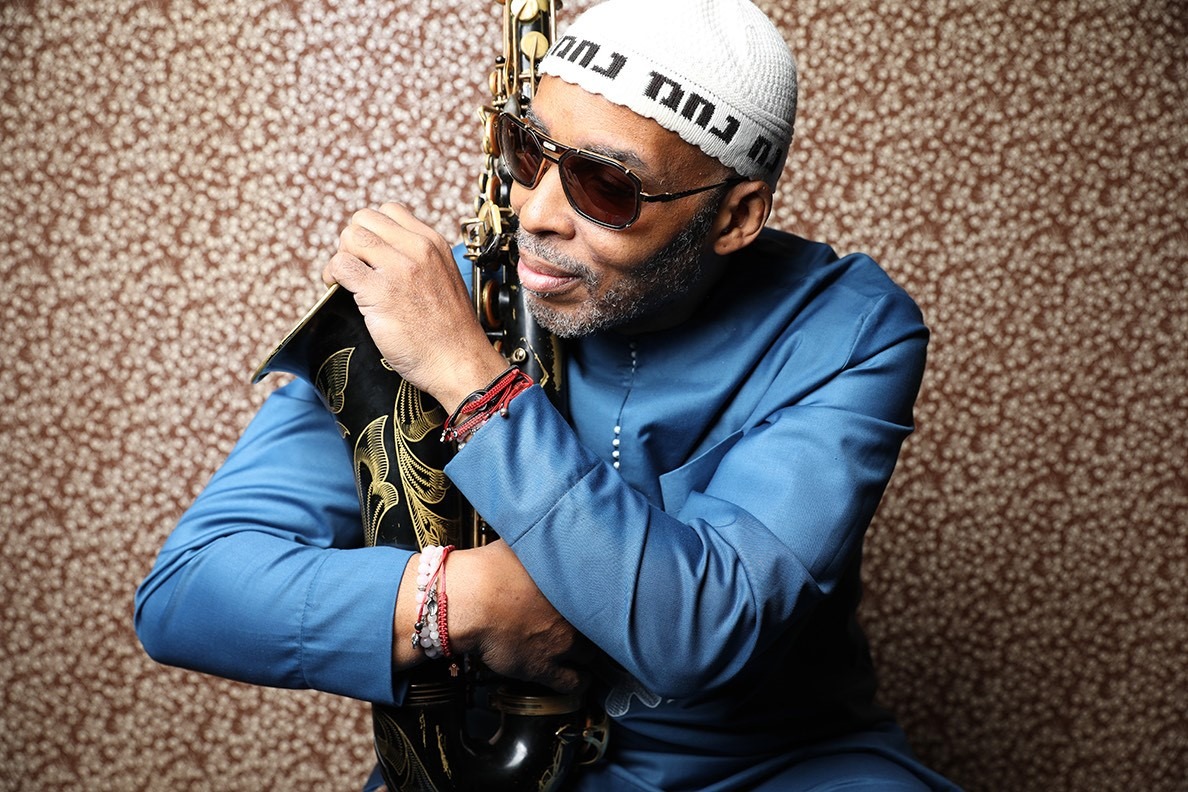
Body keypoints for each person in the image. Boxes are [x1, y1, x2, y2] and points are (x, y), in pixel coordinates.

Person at [135, 0, 961, 789]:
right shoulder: (440, 303)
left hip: (776, 769)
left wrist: (469, 377)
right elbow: (188, 594)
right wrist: (466, 602)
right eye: (527, 152)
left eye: (606, 188)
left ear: (735, 216)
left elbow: (699, 632)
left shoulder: (848, 326)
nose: (534, 213)